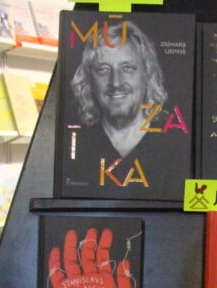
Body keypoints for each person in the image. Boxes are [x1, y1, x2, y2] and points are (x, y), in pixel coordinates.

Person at [64, 18, 187, 194]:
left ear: (147, 74)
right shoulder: (74, 148)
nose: (116, 82)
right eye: (103, 69)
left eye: (127, 68)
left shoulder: (178, 147)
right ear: (89, 79)